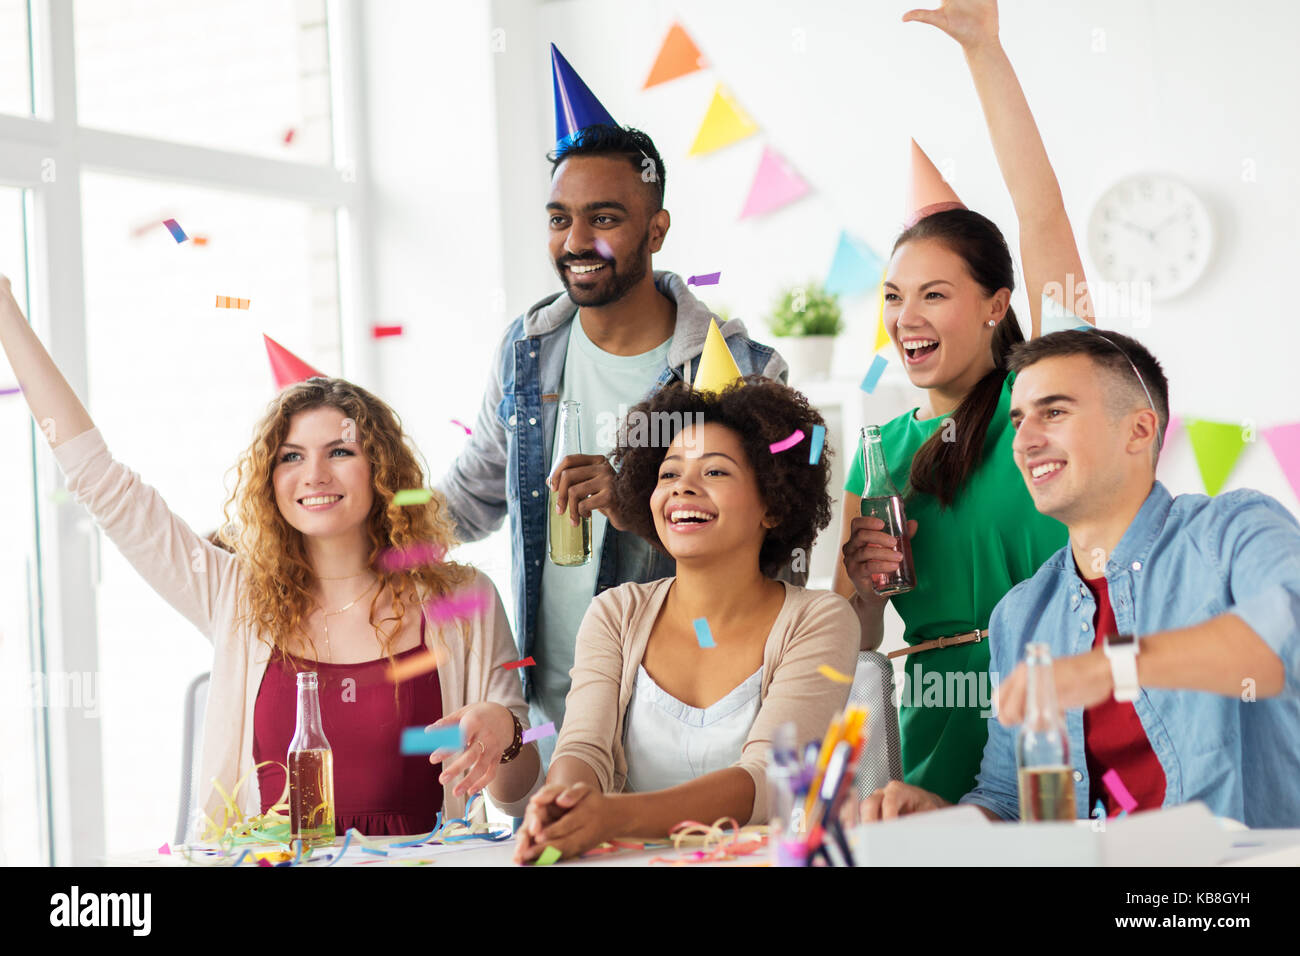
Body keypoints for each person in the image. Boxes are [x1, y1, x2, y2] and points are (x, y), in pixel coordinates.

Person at [0, 274, 543, 836]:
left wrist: (504, 734)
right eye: (290, 457)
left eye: (339, 451)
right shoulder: (234, 593)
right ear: (269, 478)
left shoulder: (464, 600)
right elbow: (99, 480)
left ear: (382, 470)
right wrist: (4, 308)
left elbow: (518, 791)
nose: (314, 475)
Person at [437, 124, 789, 759]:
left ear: (656, 230)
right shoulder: (527, 350)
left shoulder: (735, 367)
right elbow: (467, 500)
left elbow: (781, 548)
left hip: (692, 726)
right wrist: (291, 531)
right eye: (558, 218)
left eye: (603, 218)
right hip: (546, 724)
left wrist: (640, 508)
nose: (575, 242)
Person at [858, 330, 1300, 827]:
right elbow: (1007, 799)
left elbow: (1282, 639)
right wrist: (939, 819)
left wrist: (1108, 668)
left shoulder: (1234, 531)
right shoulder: (1021, 614)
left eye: (1055, 412)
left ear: (1138, 430)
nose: (1024, 442)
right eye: (1019, 420)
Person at [833, 0, 1092, 804]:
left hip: (1058, 705)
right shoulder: (880, 457)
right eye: (892, 296)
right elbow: (855, 647)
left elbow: (1042, 216)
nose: (906, 317)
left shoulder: (1040, 399)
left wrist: (986, 54)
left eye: (935, 294)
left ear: (994, 302)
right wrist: (863, 590)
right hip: (933, 733)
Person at [512, 380, 858, 862]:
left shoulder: (818, 620)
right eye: (669, 473)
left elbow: (765, 780)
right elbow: (582, 750)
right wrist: (564, 803)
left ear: (774, 506)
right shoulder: (615, 613)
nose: (682, 487)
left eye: (715, 471)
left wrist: (611, 816)